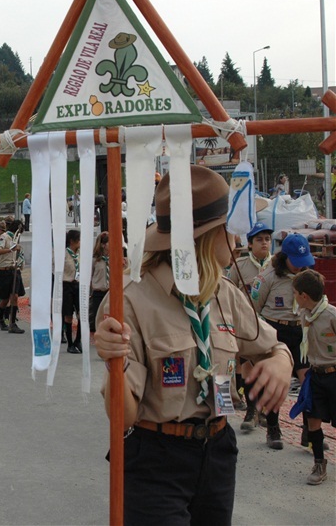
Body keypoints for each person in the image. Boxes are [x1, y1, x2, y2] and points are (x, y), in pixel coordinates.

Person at [94, 165, 293, 524]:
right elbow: (122, 416)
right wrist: (115, 362)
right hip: (156, 460)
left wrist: (281, 363)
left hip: (217, 452)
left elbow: (274, 347)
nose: (237, 240)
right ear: (203, 236)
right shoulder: (129, 302)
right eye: (229, 230)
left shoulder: (226, 294)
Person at [251, 233, 315, 449]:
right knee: (276, 383)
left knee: (309, 382)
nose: (299, 267)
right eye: (295, 263)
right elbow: (254, 308)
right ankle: (273, 428)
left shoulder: (307, 276)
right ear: (284, 258)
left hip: (300, 333)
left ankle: (309, 432)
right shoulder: (267, 277)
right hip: (276, 331)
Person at [226, 221, 273, 426]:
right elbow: (229, 291)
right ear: (250, 244)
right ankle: (252, 410)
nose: (264, 243)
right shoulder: (241, 266)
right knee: (247, 366)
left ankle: (269, 414)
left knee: (268, 367)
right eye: (259, 239)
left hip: (270, 324)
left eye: (267, 239)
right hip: (246, 323)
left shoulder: (276, 266)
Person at [292, 270, 335, 484]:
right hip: (315, 375)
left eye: (295, 293)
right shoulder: (304, 314)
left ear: (304, 295)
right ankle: (319, 464)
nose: (294, 297)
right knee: (312, 421)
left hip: (334, 375)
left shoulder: (332, 316)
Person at [0, 217, 26, 334]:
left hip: (14, 270)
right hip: (4, 271)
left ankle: (12, 323)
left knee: (15, 296)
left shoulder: (15, 239)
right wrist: (11, 249)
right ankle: (1, 319)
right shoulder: (4, 237)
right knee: (5, 298)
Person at [63, 229, 82, 354]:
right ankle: (70, 343)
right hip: (67, 285)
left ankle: (78, 340)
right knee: (68, 315)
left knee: (82, 314)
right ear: (72, 241)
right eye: (79, 239)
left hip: (79, 285)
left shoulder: (81, 253)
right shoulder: (63, 253)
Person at [89, 232, 110, 340]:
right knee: (99, 316)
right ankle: (100, 337)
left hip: (109, 291)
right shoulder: (95, 260)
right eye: (109, 243)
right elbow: (90, 275)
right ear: (103, 245)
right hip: (98, 291)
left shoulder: (113, 258)